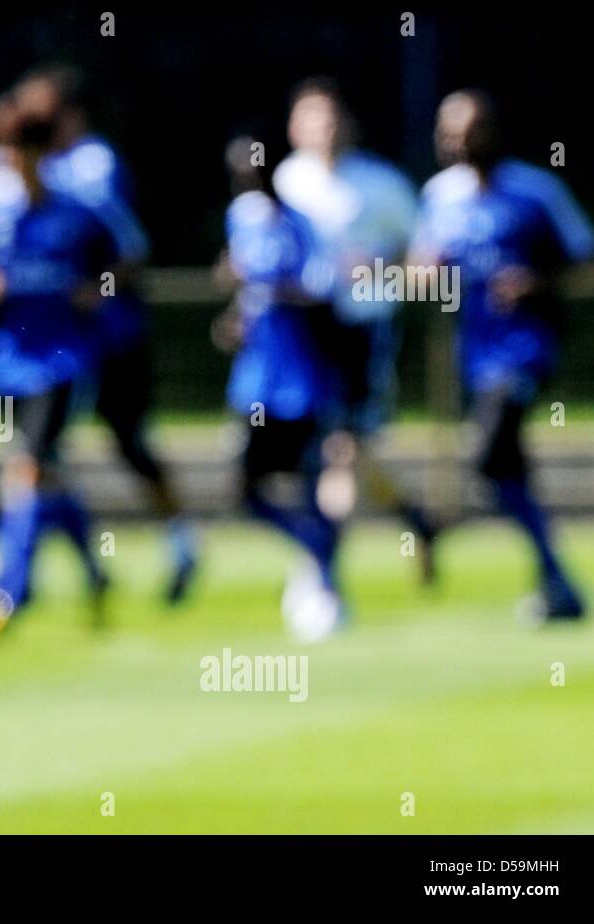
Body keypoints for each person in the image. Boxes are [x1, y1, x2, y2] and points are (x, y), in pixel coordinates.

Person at [412, 90, 594, 621]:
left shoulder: (535, 191)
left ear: (493, 130)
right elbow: (422, 267)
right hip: (474, 351)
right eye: (448, 131)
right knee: (505, 473)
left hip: (527, 348)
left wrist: (535, 283)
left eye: (469, 129)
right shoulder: (440, 196)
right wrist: (426, 273)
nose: (458, 141)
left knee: (488, 452)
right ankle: (559, 584)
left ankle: (434, 522)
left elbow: (580, 258)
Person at [16, 66, 199, 600]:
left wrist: (97, 288)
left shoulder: (92, 165)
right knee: (40, 451)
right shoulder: (34, 170)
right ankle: (74, 566)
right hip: (54, 341)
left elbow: (127, 245)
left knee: (126, 442)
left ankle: (180, 543)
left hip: (110, 336)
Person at [0, 108, 119, 640]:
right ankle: (93, 569)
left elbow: (124, 259)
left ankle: (9, 591)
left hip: (64, 361)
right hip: (5, 361)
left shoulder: (79, 203)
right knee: (48, 473)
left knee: (27, 469)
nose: (23, 166)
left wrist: (97, 290)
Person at [274, 78, 438, 580]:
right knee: (337, 449)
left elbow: (423, 256)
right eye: (311, 117)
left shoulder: (380, 184)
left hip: (361, 330)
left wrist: (380, 268)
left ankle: (322, 570)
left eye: (330, 117)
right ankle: (413, 517)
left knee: (340, 448)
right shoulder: (285, 181)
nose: (323, 128)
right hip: (302, 336)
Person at [217, 134, 345, 641]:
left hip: (300, 376)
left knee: (307, 481)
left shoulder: (300, 225)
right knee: (244, 488)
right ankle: (317, 545)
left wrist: (272, 290)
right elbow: (240, 288)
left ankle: (324, 587)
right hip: (254, 378)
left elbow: (321, 288)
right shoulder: (241, 219)